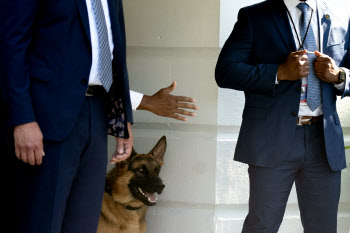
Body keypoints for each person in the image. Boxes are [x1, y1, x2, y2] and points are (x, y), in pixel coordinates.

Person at [0, 1, 196, 233]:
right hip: (46, 116)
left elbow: (115, 57)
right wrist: (23, 118)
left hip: (97, 111)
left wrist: (121, 119)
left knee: (83, 222)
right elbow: (10, 48)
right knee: (43, 221)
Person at [215, 0, 349, 232]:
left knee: (324, 228)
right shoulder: (254, 16)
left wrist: (339, 76)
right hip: (271, 138)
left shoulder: (340, 16)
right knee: (262, 225)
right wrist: (279, 72)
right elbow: (225, 71)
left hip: (324, 143)